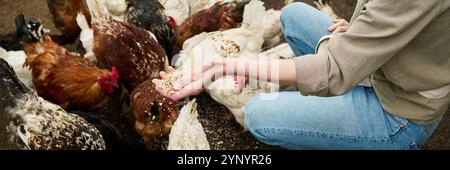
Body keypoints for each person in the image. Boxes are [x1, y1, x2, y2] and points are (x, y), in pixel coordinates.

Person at [153, 0, 450, 150]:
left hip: (400, 110)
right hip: (381, 68)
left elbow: (331, 71)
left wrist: (230, 65)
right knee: (292, 15)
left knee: (258, 115)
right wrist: (363, 28)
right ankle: (338, 111)